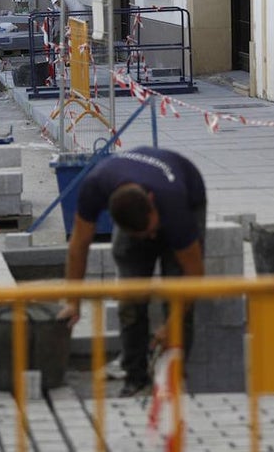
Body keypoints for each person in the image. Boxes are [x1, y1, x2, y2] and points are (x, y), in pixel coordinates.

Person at [60, 146, 207, 398]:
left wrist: (172, 322)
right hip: (139, 205)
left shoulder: (175, 208)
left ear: (150, 201)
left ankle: (173, 380)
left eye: (152, 230)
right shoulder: (94, 186)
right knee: (130, 298)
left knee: (177, 295)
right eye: (144, 235)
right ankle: (135, 378)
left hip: (186, 192)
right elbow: (78, 246)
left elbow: (195, 274)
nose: (152, 237)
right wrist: (73, 302)